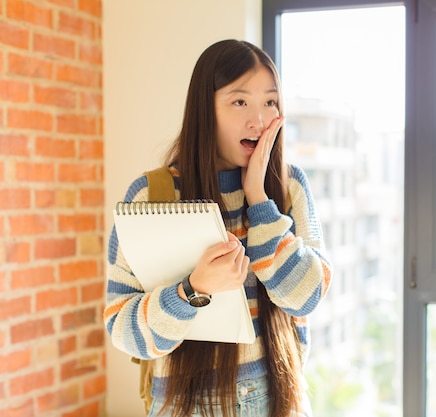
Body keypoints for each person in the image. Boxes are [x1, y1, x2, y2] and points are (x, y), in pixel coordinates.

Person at [104, 39, 332, 417]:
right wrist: (194, 290)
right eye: (240, 101)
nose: (258, 120)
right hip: (183, 404)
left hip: (276, 398)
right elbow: (122, 328)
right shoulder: (152, 195)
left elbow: (305, 297)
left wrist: (259, 199)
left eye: (270, 102)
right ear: (203, 110)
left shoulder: (289, 187)